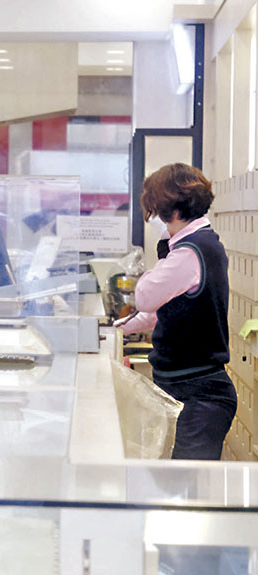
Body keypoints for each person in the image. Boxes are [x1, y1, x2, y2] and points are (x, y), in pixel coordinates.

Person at [116, 163, 236, 460]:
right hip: (190, 390)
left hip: (200, 395)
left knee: (185, 484)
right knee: (174, 479)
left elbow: (145, 297)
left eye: (156, 210)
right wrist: (115, 330)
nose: (155, 217)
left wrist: (163, 251)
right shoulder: (200, 243)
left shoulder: (188, 252)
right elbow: (162, 310)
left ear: (171, 209)